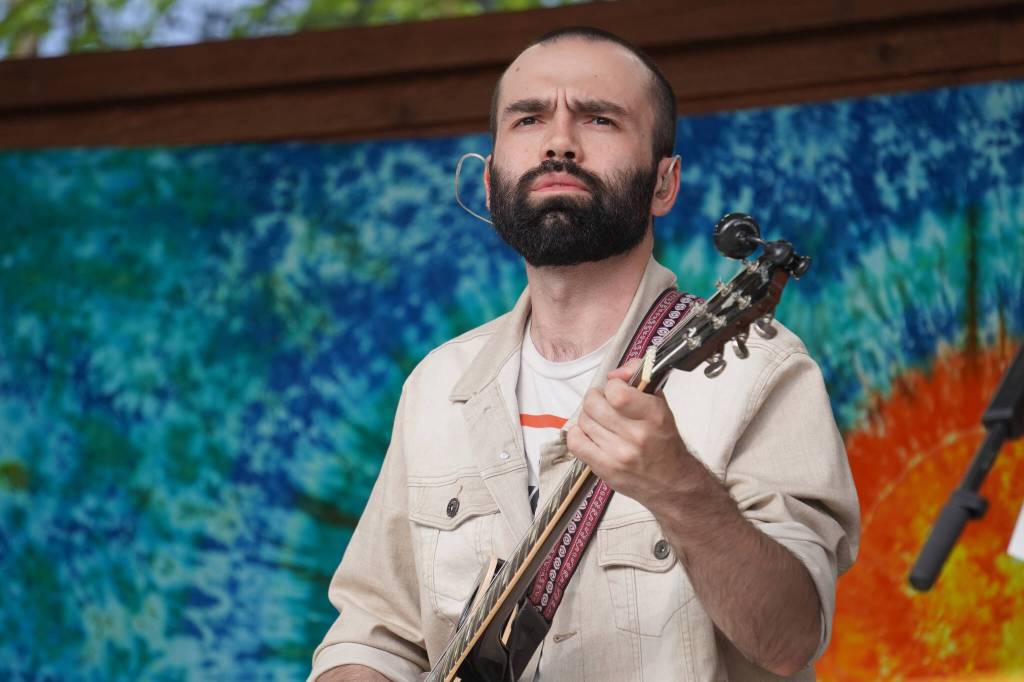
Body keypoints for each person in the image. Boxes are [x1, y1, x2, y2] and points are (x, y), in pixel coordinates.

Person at [310, 26, 859, 682]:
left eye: (599, 118)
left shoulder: (762, 370)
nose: (558, 141)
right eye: (529, 117)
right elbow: (374, 632)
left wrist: (679, 487)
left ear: (664, 183)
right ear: (489, 182)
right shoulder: (439, 384)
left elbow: (790, 638)